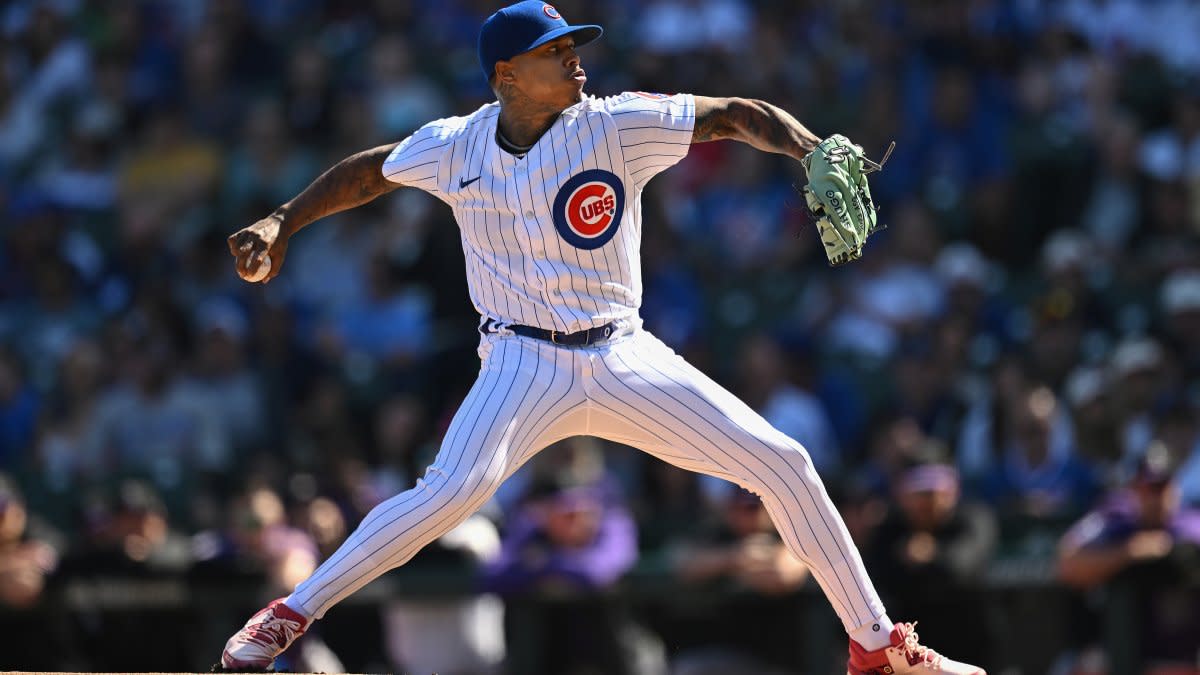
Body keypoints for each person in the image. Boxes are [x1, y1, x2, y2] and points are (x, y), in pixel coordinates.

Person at [217, 3, 984, 674]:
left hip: (622, 352)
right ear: (507, 75)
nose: (574, 57)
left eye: (572, 43)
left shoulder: (616, 125)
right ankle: (289, 615)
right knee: (451, 491)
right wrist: (283, 218)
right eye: (555, 51)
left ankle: (876, 647)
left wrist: (810, 146)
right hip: (521, 359)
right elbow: (369, 172)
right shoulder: (456, 145)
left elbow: (733, 112)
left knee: (783, 461)